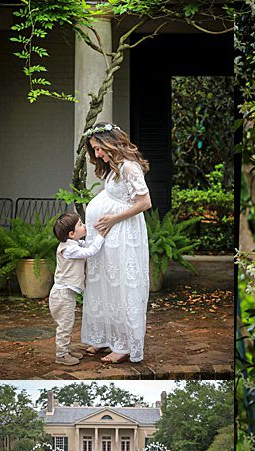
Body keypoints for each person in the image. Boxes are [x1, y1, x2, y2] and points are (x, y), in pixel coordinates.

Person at [79, 123, 152, 364]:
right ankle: (103, 338)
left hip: (124, 234)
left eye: (99, 148)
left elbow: (145, 203)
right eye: (94, 149)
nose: (97, 154)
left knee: (122, 288)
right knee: (105, 287)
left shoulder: (130, 167)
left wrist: (112, 219)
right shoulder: (114, 167)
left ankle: (124, 345)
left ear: (111, 142)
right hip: (109, 235)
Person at [49, 211, 106, 366]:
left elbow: (84, 244)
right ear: (72, 233)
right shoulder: (69, 249)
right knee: (64, 326)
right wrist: (101, 235)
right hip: (62, 295)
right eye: (81, 224)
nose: (84, 226)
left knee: (67, 324)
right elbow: (91, 251)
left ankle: (66, 350)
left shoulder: (72, 244)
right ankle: (61, 355)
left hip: (65, 293)